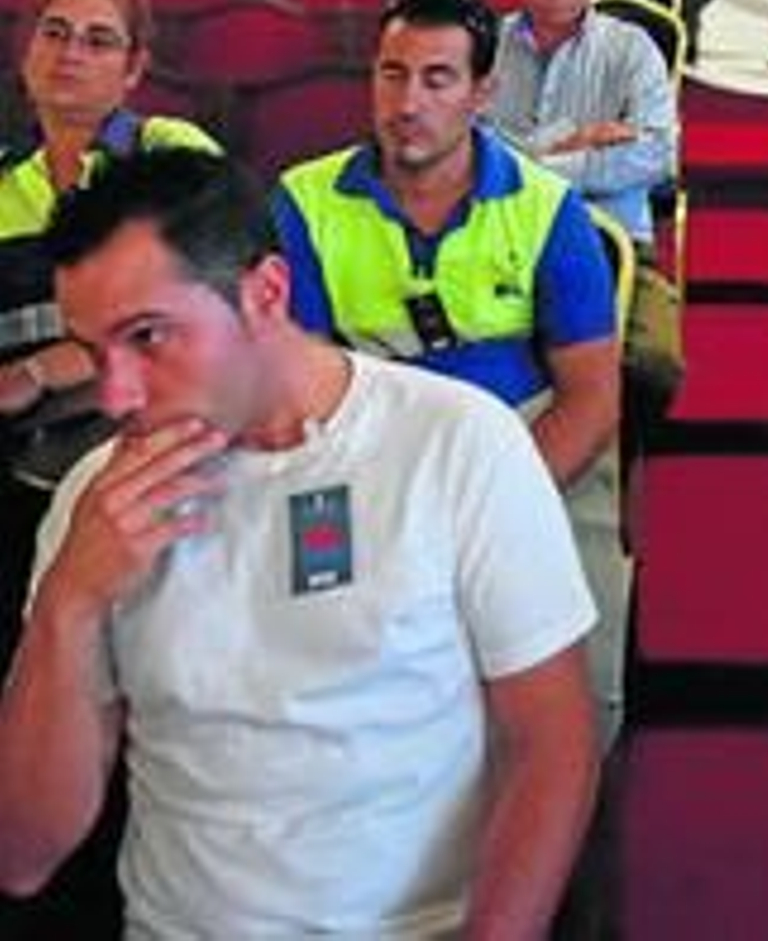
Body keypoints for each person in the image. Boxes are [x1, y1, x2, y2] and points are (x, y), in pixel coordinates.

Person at [0, 148, 598, 935]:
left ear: (265, 294)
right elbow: (24, 855)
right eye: (93, 351)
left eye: (148, 337)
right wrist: (67, 608)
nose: (116, 395)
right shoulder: (96, 505)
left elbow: (553, 749)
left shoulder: (456, 443)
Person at [272, 0, 629, 749]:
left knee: (571, 697)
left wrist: (485, 506)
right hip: (355, 440)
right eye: (392, 74)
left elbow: (593, 401)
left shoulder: (548, 209)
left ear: (482, 93)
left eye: (438, 79)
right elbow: (292, 381)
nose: (408, 102)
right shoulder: (302, 202)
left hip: (526, 445)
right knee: (307, 644)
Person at [0, 0, 218, 418]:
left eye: (98, 41)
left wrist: (40, 371)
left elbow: (211, 298)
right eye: (54, 34)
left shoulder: (166, 149)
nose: (69, 53)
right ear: (26, 55)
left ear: (133, 70)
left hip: (152, 403)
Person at [489, 0, 678, 250]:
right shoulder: (484, 47)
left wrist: (531, 165)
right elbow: (462, 151)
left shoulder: (632, 49)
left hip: (609, 239)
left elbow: (658, 154)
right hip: (499, 237)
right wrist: (581, 145)